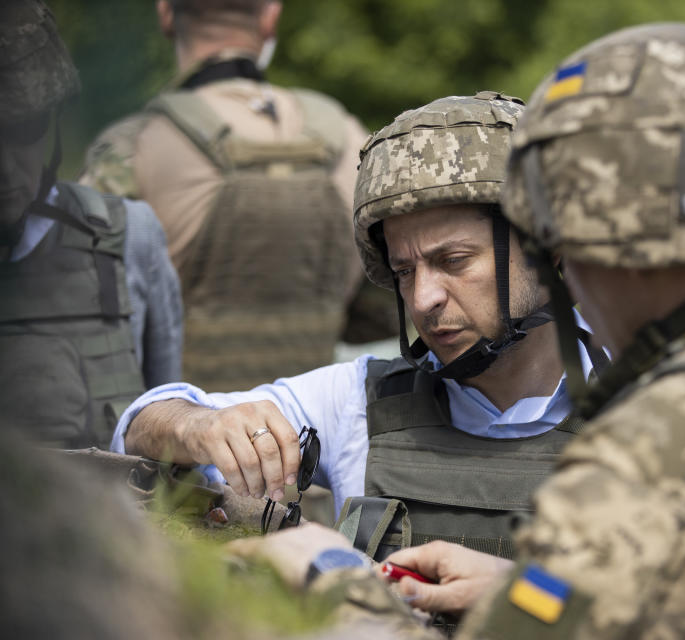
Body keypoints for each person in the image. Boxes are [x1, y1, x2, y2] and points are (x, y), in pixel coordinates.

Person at [230, 24, 685, 639]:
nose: (565, 266)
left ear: (621, 236)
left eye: (563, 232)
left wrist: (333, 578)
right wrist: (533, 587)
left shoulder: (672, 440)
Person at [113, 92, 607, 559]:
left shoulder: (651, 403)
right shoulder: (356, 402)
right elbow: (138, 427)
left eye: (453, 260)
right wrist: (197, 425)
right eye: (404, 271)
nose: (423, 298)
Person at [80, 0, 396, 392]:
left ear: (165, 14)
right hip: (310, 439)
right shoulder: (350, 138)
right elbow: (383, 306)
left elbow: (79, 312)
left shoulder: (135, 146)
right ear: (270, 17)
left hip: (171, 441)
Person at [0, 0, 182, 448]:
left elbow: (167, 424)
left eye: (25, 130)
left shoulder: (126, 237)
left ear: (54, 123)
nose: (5, 167)